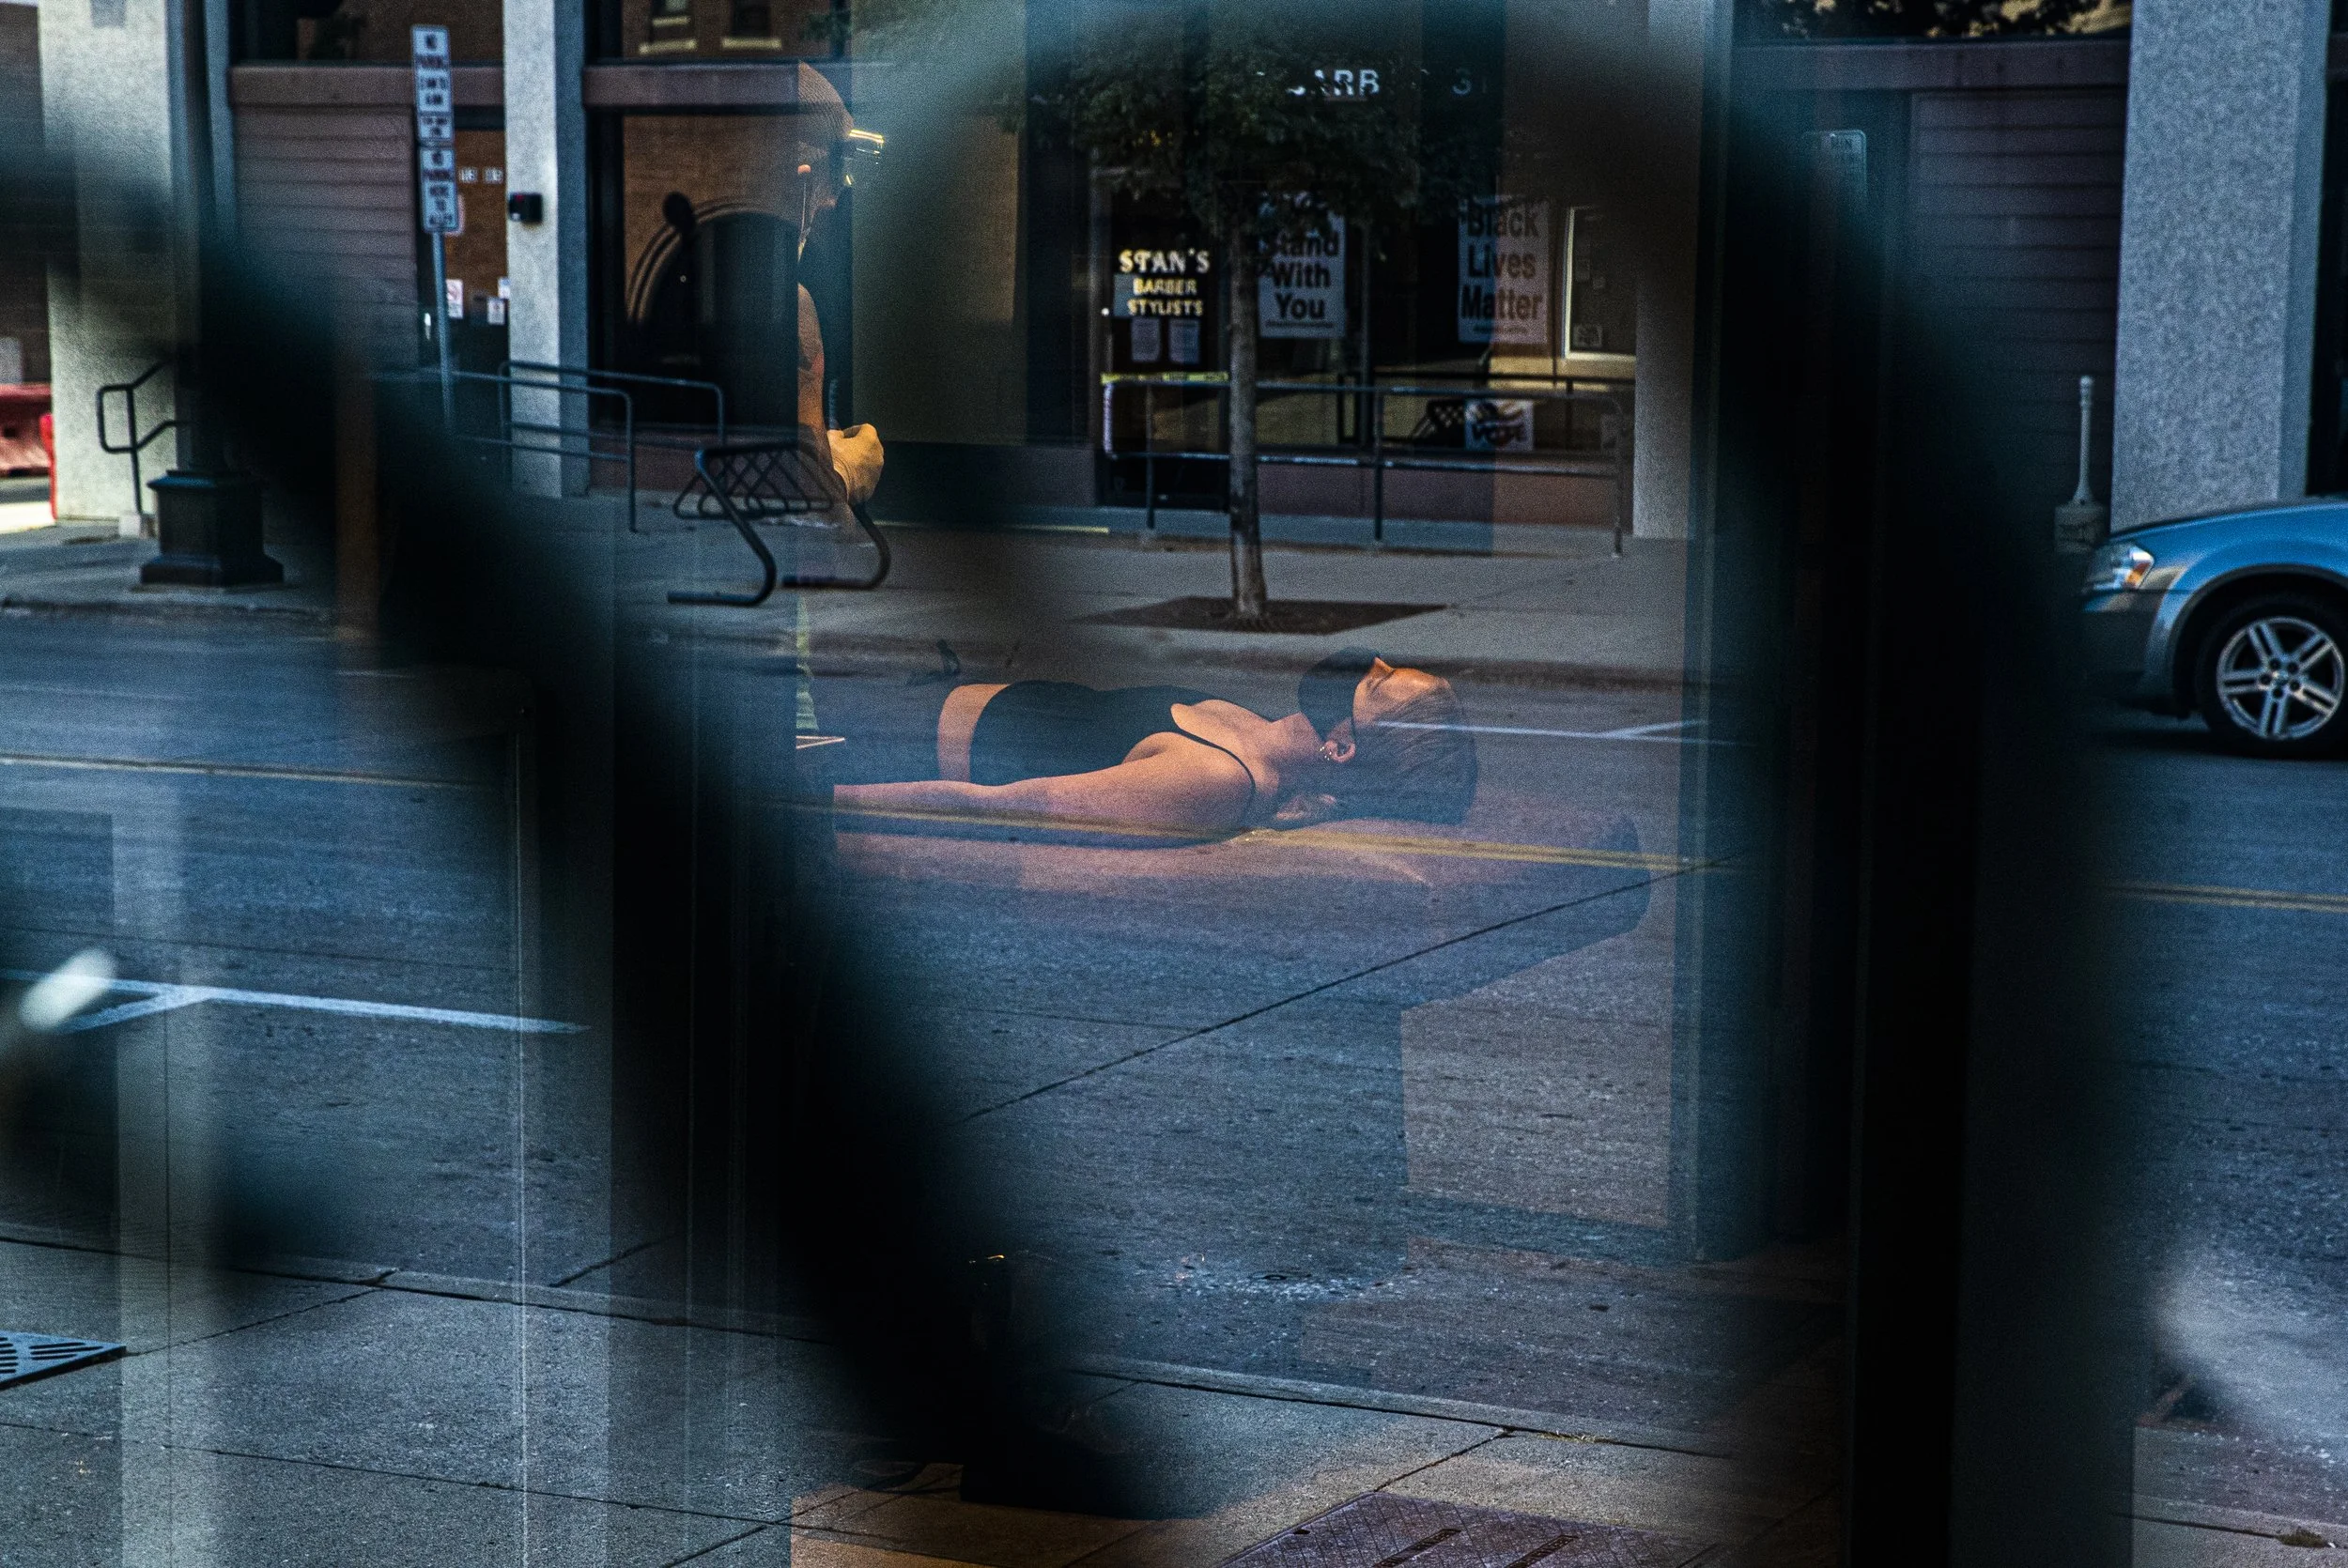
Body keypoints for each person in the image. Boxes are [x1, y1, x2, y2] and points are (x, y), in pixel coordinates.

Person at [831, 650, 1478, 835]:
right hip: (903, 706)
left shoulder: (1220, 779)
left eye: (1379, 683)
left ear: (1342, 748)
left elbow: (1010, 805)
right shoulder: (1253, 734)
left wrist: (823, 794)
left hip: (884, 740)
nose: (1373, 664)